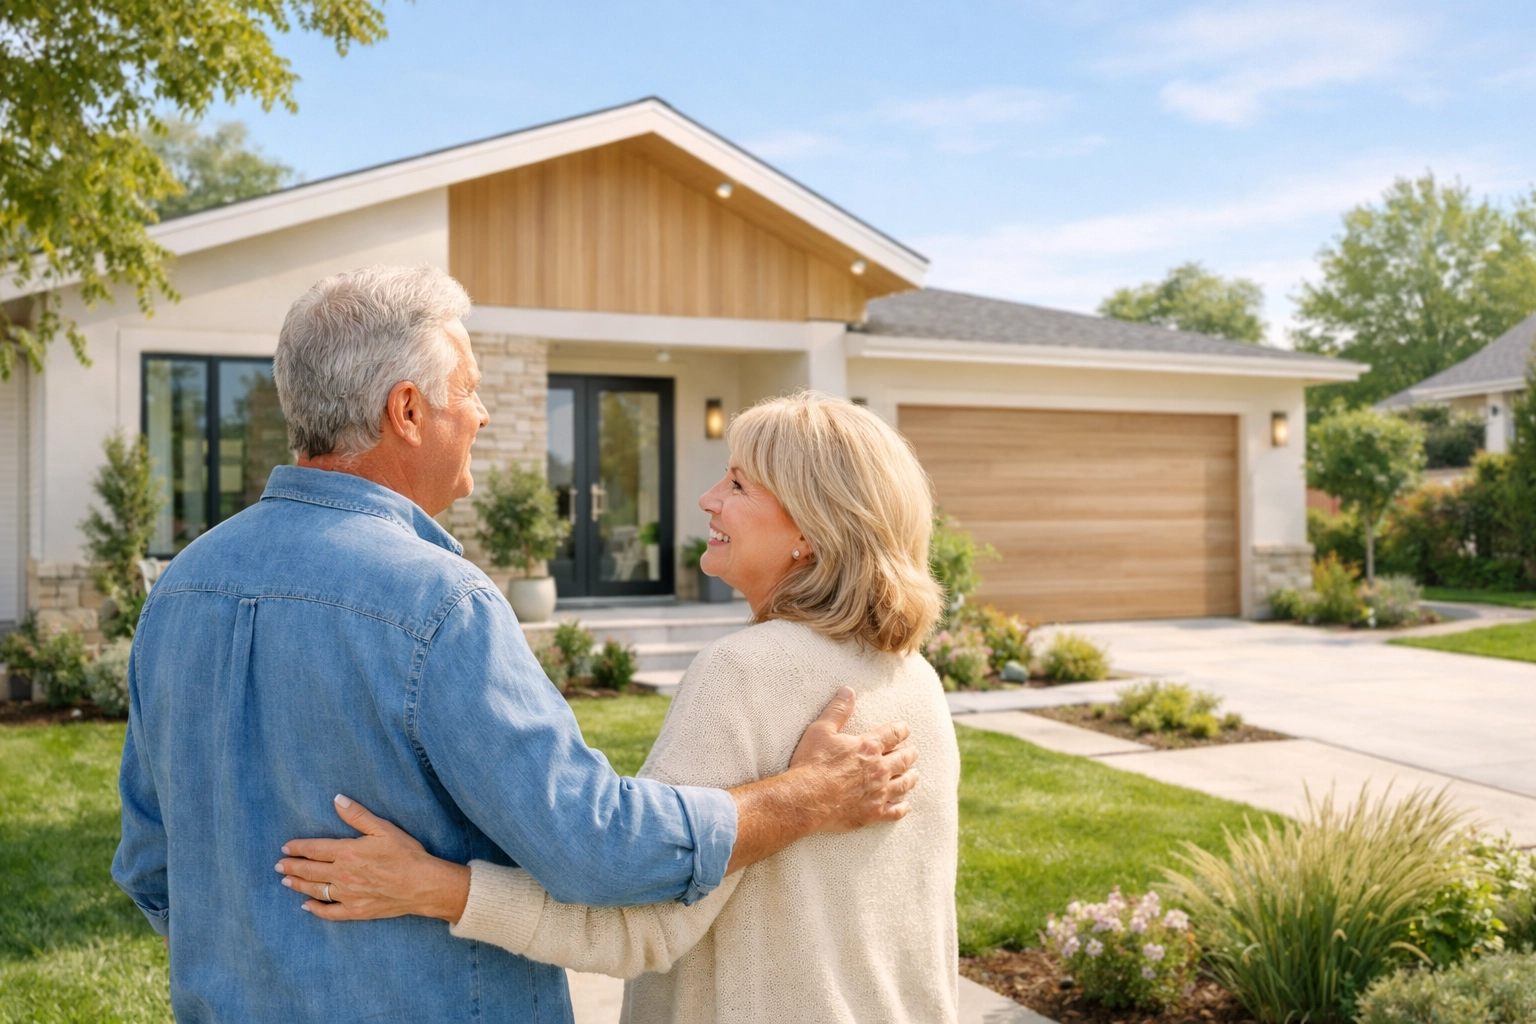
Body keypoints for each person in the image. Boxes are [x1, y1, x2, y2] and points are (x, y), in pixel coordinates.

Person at [111, 266, 920, 1024]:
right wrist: (804, 797)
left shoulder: (181, 586)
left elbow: (152, 864)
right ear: (407, 411)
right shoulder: (437, 603)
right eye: (467, 391)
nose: (482, 414)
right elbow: (594, 846)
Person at [276, 392, 962, 1024]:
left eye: (738, 485)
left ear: (810, 530)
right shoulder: (915, 681)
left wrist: (433, 887)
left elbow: (641, 925)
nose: (708, 499)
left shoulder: (747, 673)